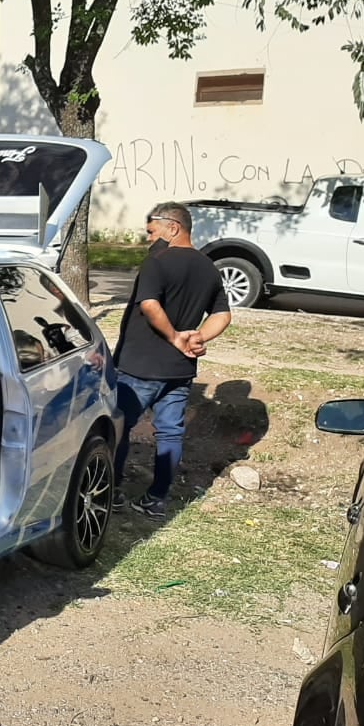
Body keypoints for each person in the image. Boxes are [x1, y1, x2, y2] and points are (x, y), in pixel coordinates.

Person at [111, 201, 232, 517]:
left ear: (172, 227)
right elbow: (222, 314)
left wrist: (175, 337)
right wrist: (199, 337)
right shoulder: (208, 266)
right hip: (179, 370)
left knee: (119, 427)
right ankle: (156, 498)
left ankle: (110, 492)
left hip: (139, 366)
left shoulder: (157, 261)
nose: (149, 239)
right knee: (170, 433)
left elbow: (150, 305)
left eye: (152, 231)